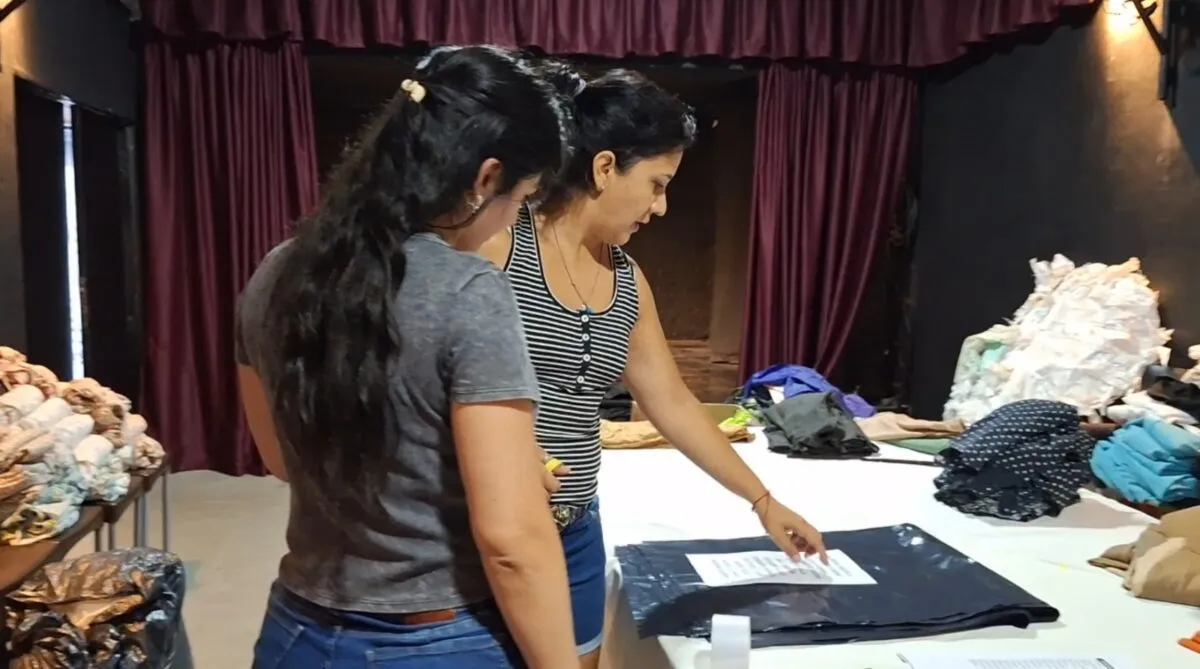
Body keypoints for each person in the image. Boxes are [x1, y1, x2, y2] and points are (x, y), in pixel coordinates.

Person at [235, 45, 581, 669]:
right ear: (485, 179)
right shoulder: (469, 291)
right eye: (522, 199)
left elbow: (281, 459)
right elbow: (511, 541)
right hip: (430, 642)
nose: (510, 222)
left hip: (295, 632)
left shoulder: (277, 272)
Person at [481, 64, 829, 667]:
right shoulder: (500, 246)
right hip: (492, 527)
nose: (661, 207)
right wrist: (512, 456)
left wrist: (763, 500)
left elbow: (670, 402)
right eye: (657, 184)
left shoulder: (627, 280)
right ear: (605, 168)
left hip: (575, 525)